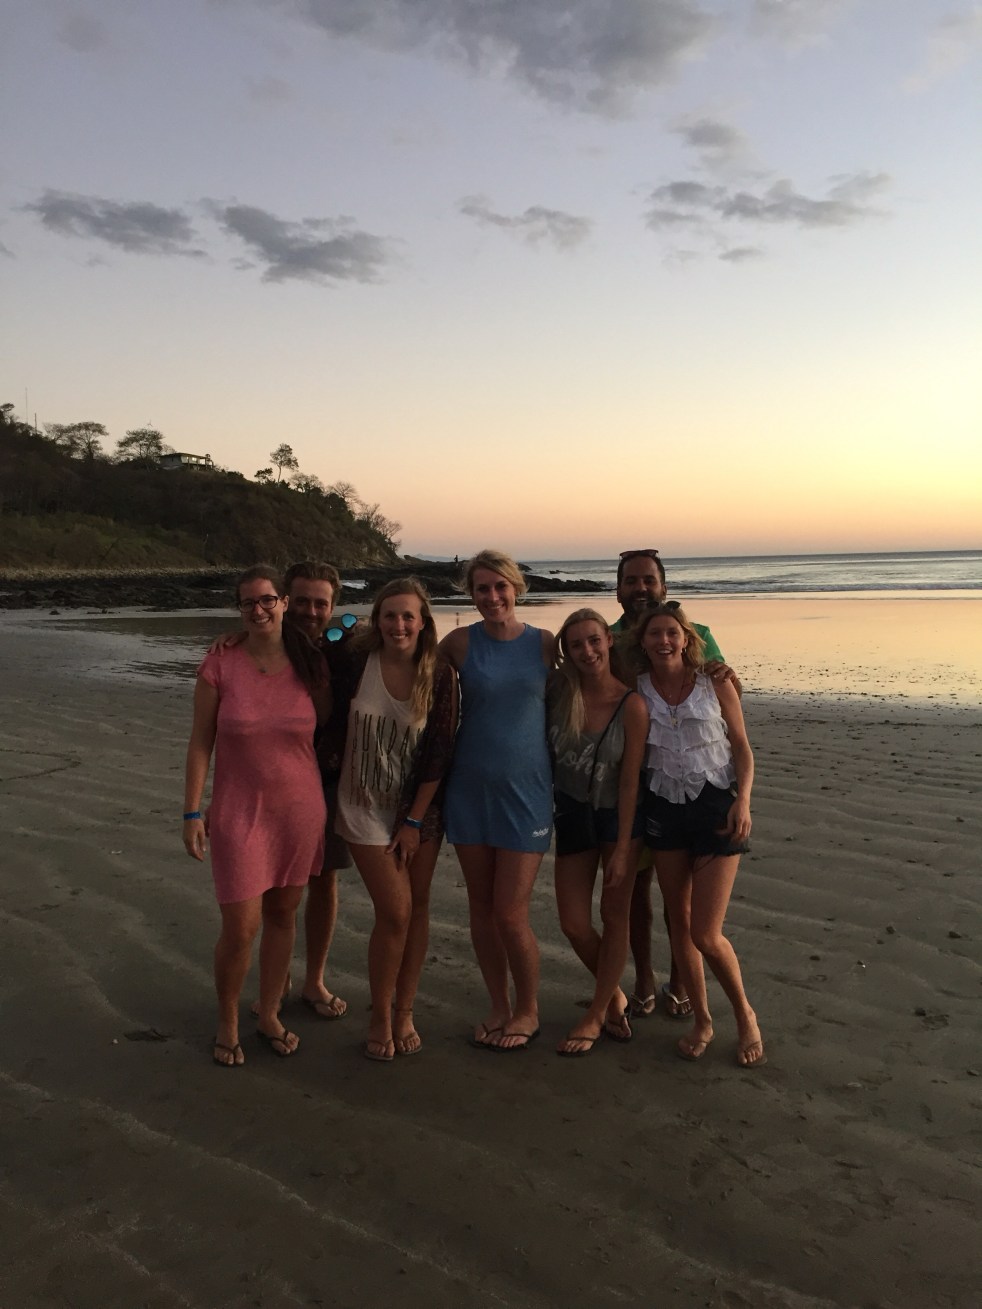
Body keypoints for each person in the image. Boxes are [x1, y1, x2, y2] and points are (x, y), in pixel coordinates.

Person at [182, 566, 330, 1066]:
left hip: (300, 810)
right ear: (239, 609)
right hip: (238, 812)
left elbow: (356, 654)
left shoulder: (310, 661)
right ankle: (227, 1020)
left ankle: (268, 1013)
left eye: (268, 600)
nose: (259, 610)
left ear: (284, 602)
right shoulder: (220, 662)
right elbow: (200, 742)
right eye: (248, 603)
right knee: (241, 927)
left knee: (283, 915)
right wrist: (191, 810)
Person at [209, 561, 352, 1022]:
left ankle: (313, 980)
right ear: (288, 601)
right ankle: (279, 983)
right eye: (302, 601)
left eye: (321, 603)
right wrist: (235, 637)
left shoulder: (346, 644)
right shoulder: (259, 644)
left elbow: (400, 645)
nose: (311, 611)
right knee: (268, 892)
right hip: (276, 778)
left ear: (333, 606)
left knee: (322, 880)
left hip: (330, 777)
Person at [326, 578, 458, 1062]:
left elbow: (440, 750)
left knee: (416, 908)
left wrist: (414, 822)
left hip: (418, 811)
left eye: (408, 616)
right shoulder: (355, 660)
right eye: (389, 615)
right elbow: (314, 642)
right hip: (360, 805)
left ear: (423, 623)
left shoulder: (439, 673)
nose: (398, 625)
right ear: (377, 619)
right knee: (396, 911)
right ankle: (380, 1015)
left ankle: (405, 1010)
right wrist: (236, 638)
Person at [630, 601, 765, 1068]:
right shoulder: (637, 690)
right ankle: (703, 1021)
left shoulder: (716, 682)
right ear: (643, 642)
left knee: (706, 932)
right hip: (664, 810)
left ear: (688, 638)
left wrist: (743, 800)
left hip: (716, 809)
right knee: (681, 924)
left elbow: (742, 747)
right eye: (654, 634)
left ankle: (745, 1015)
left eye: (672, 632)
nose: (664, 640)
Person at [612, 548, 739, 1023]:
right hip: (632, 780)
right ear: (618, 589)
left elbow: (724, 694)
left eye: (649, 580)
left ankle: (681, 981)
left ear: (664, 586)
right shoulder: (609, 639)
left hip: (687, 780)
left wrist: (727, 674)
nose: (640, 589)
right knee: (636, 889)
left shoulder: (696, 633)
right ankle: (644, 979)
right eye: (631, 581)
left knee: (679, 898)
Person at [440, 549, 555, 1052]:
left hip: (528, 794)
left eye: (500, 587)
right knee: (482, 909)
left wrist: (706, 669)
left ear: (516, 588)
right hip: (468, 791)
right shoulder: (458, 644)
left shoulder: (545, 644)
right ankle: (498, 1005)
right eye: (482, 589)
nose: (492, 597)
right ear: (471, 594)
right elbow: (404, 663)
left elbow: (599, 675)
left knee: (510, 913)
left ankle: (528, 1008)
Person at [548, 609, 649, 1056]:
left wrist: (624, 848)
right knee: (573, 922)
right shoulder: (559, 693)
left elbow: (630, 782)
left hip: (617, 820)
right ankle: (615, 996)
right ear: (567, 652)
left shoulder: (633, 706)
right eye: (576, 645)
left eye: (594, 640)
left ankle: (597, 1011)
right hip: (573, 812)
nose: (587, 651)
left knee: (614, 915)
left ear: (609, 640)